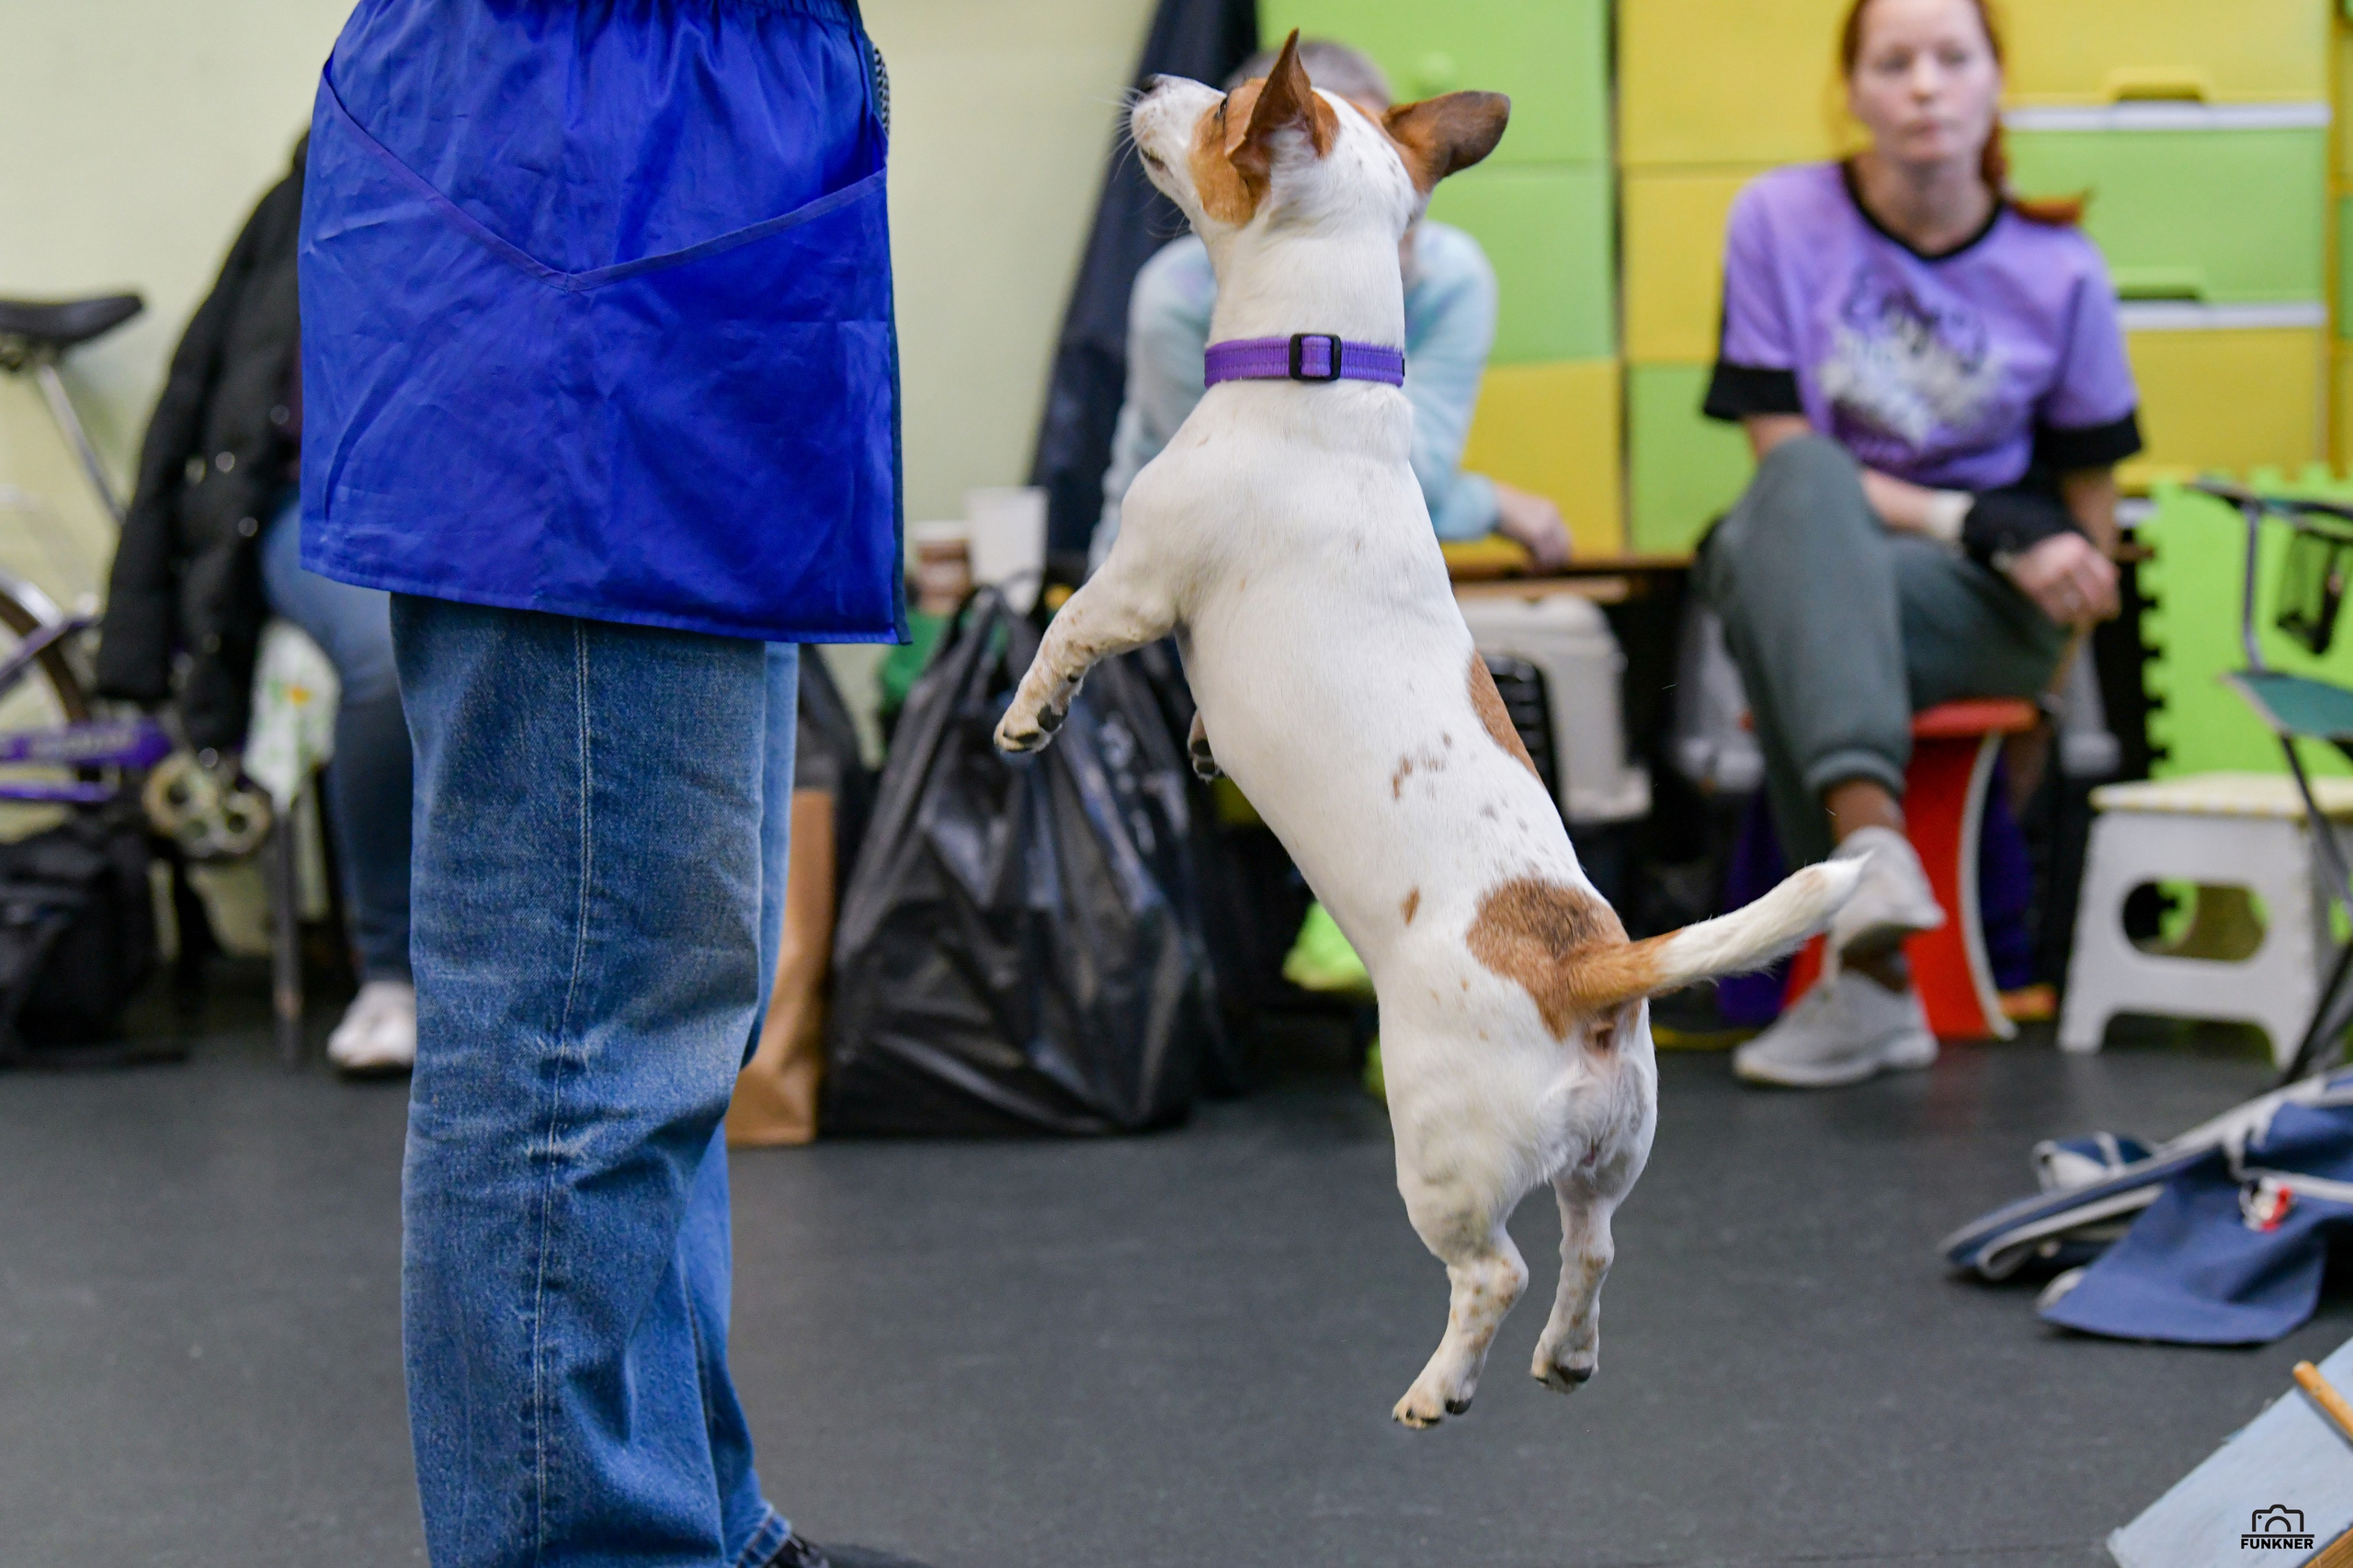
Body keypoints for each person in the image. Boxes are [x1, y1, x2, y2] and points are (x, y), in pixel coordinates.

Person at [299, 4, 923, 1565]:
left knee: (661, 1008)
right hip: (598, 203)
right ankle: (592, 1548)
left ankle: (693, 1519)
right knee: (584, 1019)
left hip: (690, 206)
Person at [1697, 0, 2139, 1087]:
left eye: (1953, 58)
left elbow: (2089, 527)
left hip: (1983, 607)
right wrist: (1969, 517)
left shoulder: (2061, 266)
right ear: (1851, 92)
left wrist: (2050, 693)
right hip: (1847, 546)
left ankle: (1871, 957)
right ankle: (1874, 876)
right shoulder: (1777, 218)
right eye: (1893, 63)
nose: (1925, 85)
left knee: (1771, 586)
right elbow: (1782, 450)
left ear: (1995, 81)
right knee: (1795, 497)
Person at [96, 136, 417, 1075]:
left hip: (455, 517)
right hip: (303, 515)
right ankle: (392, 970)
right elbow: (196, 399)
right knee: (389, 652)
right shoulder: (301, 202)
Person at [1088, 38, 1572, 574]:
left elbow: (1410, 474)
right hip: (1159, 592)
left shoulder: (1450, 279)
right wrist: (1491, 505)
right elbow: (1258, 493)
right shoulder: (1180, 295)